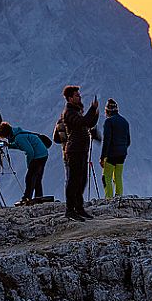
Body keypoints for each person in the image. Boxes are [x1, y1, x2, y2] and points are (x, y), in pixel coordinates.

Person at [55, 85, 99, 221]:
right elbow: (82, 122)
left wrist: (95, 114)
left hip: (81, 150)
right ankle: (70, 209)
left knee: (81, 180)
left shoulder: (77, 111)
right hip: (74, 150)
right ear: (70, 98)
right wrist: (92, 109)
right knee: (73, 180)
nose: (79, 97)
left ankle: (79, 208)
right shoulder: (69, 112)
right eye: (77, 95)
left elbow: (88, 123)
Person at [0, 122, 48, 203]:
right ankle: (38, 197)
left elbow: (30, 151)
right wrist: (9, 145)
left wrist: (29, 164)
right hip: (43, 154)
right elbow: (21, 145)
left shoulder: (19, 137)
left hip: (38, 156)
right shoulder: (18, 134)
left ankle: (27, 197)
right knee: (37, 177)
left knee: (30, 177)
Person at [100, 99, 130, 198]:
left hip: (111, 154)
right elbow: (128, 140)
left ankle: (109, 198)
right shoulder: (125, 121)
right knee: (118, 176)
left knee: (106, 177)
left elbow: (106, 140)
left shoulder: (109, 122)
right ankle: (119, 197)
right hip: (122, 154)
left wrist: (103, 157)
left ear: (107, 111)